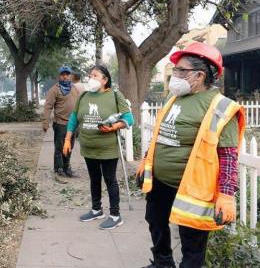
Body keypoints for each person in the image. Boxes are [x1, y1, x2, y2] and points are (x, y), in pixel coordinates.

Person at [136, 42, 245, 268]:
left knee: (192, 242)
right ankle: (162, 263)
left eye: (180, 70)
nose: (174, 75)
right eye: (174, 70)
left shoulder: (221, 107)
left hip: (193, 189)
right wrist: (146, 160)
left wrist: (226, 195)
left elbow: (228, 156)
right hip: (161, 182)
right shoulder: (174, 98)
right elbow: (160, 134)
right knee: (155, 222)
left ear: (199, 75)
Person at [63, 65, 134, 229]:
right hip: (88, 147)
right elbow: (74, 117)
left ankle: (115, 215)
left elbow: (129, 118)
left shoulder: (115, 96)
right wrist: (68, 139)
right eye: (90, 75)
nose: (91, 78)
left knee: (110, 180)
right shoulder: (84, 96)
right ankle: (96, 209)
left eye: (95, 75)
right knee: (94, 179)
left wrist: (115, 126)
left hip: (107, 148)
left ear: (105, 80)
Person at [42, 66, 80, 181]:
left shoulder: (74, 88)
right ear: (59, 76)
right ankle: (58, 168)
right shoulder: (54, 89)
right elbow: (48, 106)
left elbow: (78, 105)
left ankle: (66, 167)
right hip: (60, 123)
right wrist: (45, 122)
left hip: (72, 124)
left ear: (70, 76)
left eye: (67, 74)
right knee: (59, 147)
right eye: (63, 74)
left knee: (70, 146)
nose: (65, 76)